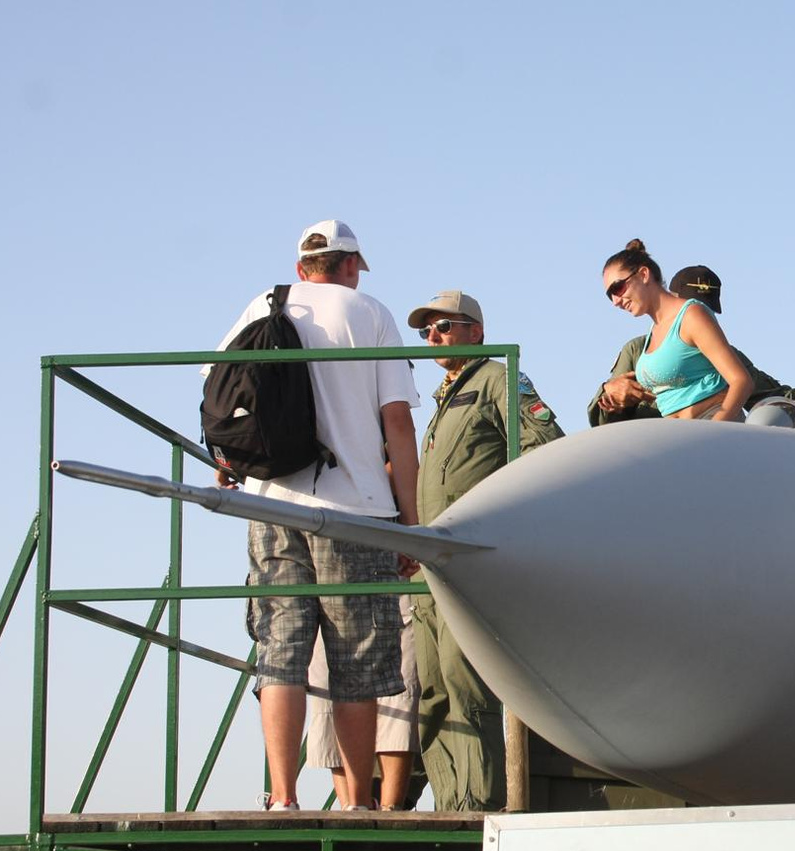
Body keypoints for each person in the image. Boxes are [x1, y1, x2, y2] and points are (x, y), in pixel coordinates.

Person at [214, 220, 420, 810]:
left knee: (280, 649)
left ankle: (281, 796)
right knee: (356, 656)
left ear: (305, 268)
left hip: (270, 499)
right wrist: (410, 522)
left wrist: (232, 462)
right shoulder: (369, 312)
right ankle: (358, 800)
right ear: (350, 266)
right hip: (355, 506)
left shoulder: (265, 302)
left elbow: (216, 386)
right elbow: (398, 423)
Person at [406, 289, 564, 810]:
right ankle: (451, 803)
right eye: (427, 330)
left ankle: (476, 805)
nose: (434, 337)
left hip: (469, 561)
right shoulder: (444, 398)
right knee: (431, 689)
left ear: (476, 331)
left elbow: (545, 446)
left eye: (445, 327)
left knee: (464, 679)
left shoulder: (498, 379)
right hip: (429, 563)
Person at [589, 265, 795, 425]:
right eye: (692, 304)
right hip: (651, 450)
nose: (701, 317)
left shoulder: (722, 353)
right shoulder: (637, 352)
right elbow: (601, 420)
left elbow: (773, 394)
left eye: (706, 309)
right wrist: (608, 390)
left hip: (704, 439)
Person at [601, 241, 753, 421]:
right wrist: (611, 388)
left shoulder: (691, 315)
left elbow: (741, 381)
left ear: (643, 274)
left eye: (617, 288)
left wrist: (713, 429)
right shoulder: (654, 331)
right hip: (677, 437)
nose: (615, 301)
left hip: (708, 431)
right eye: (610, 295)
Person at [306, 600, 420, 810]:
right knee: (329, 691)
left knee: (398, 691)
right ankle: (351, 807)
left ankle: (389, 810)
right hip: (321, 584)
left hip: (389, 578)